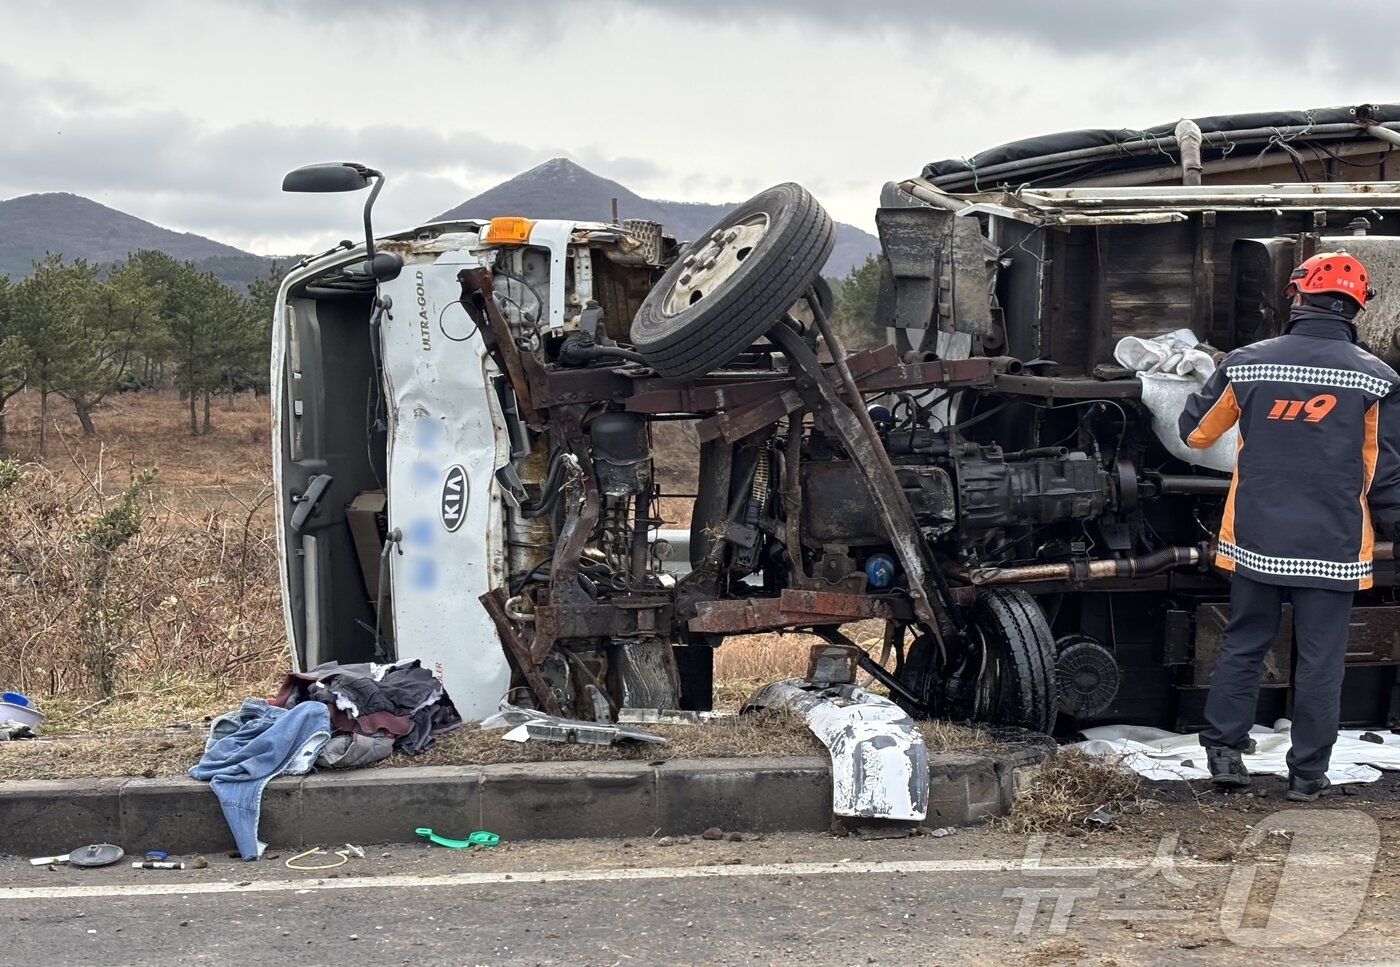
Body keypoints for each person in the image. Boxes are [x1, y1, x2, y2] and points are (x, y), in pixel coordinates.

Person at [1179, 250, 1400, 801]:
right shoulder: (1379, 379)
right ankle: (1306, 775)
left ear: (1297, 297)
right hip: (1334, 543)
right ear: (1356, 308)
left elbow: (1195, 434)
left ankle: (1225, 755)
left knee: (1245, 643)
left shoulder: (1247, 362)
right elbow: (1386, 474)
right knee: (1321, 660)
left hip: (1256, 538)